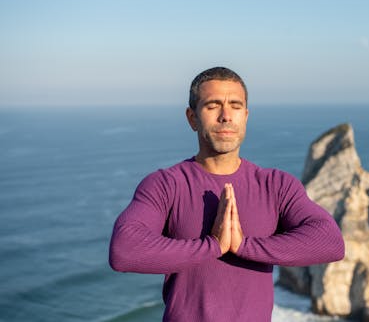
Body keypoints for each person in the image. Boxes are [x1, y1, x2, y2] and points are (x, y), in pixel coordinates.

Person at [109, 66, 345, 321]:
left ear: (245, 115)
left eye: (235, 105)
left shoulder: (275, 184)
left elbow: (330, 242)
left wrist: (243, 245)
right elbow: (125, 251)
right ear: (192, 118)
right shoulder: (165, 184)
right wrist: (212, 246)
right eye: (212, 106)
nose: (225, 116)